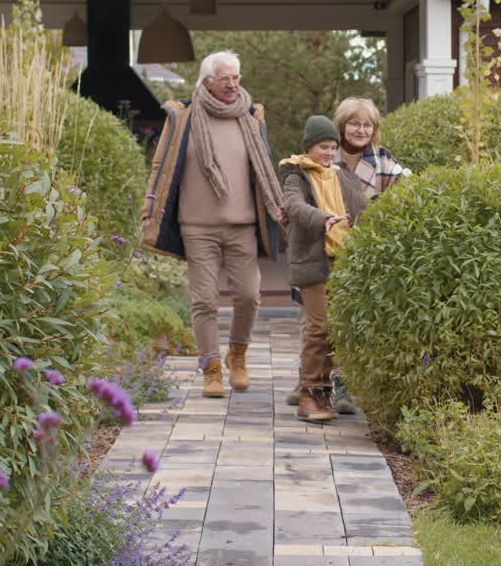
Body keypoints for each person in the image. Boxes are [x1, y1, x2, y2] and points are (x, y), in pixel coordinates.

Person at [139, 51, 285, 399]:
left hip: (242, 224)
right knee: (204, 301)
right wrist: (149, 205)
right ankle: (211, 369)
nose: (233, 85)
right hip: (197, 225)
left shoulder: (250, 117)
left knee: (249, 296)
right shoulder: (184, 116)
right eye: (225, 80)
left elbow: (262, 167)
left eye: (236, 78)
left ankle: (238, 357)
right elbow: (161, 165)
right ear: (207, 82)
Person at [282, 97, 411, 410]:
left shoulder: (382, 160)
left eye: (367, 125)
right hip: (318, 248)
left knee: (341, 320)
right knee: (316, 322)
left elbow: (400, 192)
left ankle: (338, 384)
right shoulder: (322, 156)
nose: (361, 130)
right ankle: (312, 384)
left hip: (357, 248)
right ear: (341, 128)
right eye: (354, 123)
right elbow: (296, 200)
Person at [279, 115, 368, 422]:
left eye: (332, 147)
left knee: (337, 330)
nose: (329, 153)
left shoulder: (344, 176)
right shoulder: (296, 175)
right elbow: (294, 205)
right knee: (319, 328)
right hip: (314, 263)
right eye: (322, 147)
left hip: (344, 263)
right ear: (309, 147)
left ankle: (325, 396)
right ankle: (309, 395)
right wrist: (323, 219)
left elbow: (364, 211)